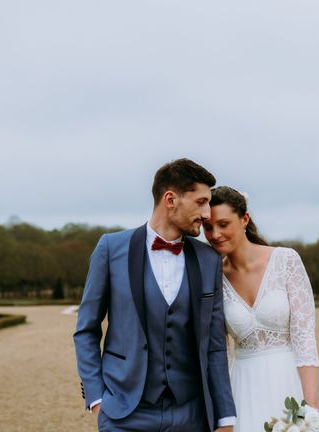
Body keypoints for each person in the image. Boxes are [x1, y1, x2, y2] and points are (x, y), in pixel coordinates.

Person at [74, 159, 236, 432]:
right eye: (200, 202)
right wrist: (97, 398)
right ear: (170, 199)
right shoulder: (111, 249)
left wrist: (225, 417)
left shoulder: (209, 259)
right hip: (124, 413)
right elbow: (86, 330)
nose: (207, 214)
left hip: (191, 415)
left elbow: (215, 345)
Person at [202, 186, 319, 432]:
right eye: (208, 227)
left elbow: (304, 338)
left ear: (244, 219)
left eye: (223, 224)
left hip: (291, 382)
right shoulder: (213, 277)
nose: (215, 234)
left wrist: (312, 410)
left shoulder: (286, 260)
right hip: (243, 389)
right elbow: (219, 351)